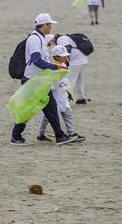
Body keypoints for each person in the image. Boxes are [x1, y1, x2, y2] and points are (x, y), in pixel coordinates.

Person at [11, 13, 75, 145]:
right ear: (44, 25)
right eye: (49, 24)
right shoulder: (35, 39)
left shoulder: (40, 37)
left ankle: (59, 135)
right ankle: (16, 136)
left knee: (49, 107)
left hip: (39, 81)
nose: (50, 27)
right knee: (30, 109)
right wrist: (55, 67)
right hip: (33, 81)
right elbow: (36, 60)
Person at [37, 45, 86, 143]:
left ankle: (72, 133)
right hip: (55, 97)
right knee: (47, 117)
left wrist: (68, 92)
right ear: (56, 57)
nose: (65, 57)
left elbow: (65, 81)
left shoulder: (64, 65)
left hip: (63, 96)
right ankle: (41, 133)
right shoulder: (52, 67)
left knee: (68, 114)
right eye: (62, 56)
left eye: (66, 56)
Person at [54, 34, 89, 104]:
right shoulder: (68, 38)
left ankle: (67, 98)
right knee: (79, 79)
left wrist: (66, 62)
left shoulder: (60, 39)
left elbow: (68, 47)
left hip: (76, 61)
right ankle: (81, 98)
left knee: (70, 80)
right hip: (83, 60)